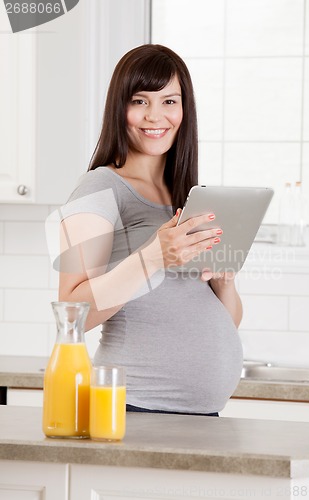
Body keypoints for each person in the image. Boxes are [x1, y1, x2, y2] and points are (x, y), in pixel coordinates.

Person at [58, 44, 243, 416]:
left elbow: (226, 320)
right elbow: (71, 312)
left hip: (201, 417)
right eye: (140, 101)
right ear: (119, 108)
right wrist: (151, 259)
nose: (155, 116)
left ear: (184, 110)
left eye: (169, 102)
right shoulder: (99, 188)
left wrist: (224, 283)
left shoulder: (187, 196)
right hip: (133, 407)